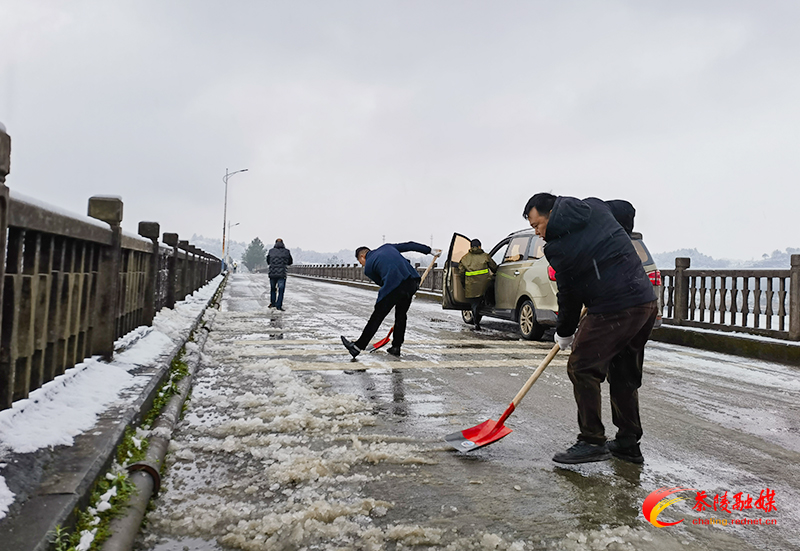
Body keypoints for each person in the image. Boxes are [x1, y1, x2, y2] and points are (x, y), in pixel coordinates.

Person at [523, 193, 657, 465]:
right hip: (644, 302)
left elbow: (569, 294)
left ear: (551, 214)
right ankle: (628, 443)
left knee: (582, 366)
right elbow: (624, 210)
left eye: (537, 225)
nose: (537, 233)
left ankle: (591, 440)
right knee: (623, 373)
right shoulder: (594, 206)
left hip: (614, 306)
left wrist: (564, 332)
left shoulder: (559, 247)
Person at [341, 242, 441, 358]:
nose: (362, 265)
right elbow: (410, 245)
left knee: (376, 317)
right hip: (411, 282)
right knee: (401, 315)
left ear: (362, 256)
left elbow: (383, 283)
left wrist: (394, 295)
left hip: (394, 287)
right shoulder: (387, 247)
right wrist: (430, 250)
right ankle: (396, 347)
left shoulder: (368, 268)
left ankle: (357, 347)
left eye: (360, 262)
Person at [456, 239, 498, 330]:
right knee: (488, 294)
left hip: (471, 286)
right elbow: (494, 268)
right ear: (480, 247)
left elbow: (461, 273)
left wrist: (464, 284)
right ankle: (490, 304)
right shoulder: (485, 256)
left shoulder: (465, 258)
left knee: (474, 304)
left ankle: (476, 321)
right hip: (485, 285)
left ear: (470, 247)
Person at [266, 238, 293, 311]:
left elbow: (268, 261)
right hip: (282, 273)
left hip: (272, 273)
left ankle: (272, 303)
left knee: (273, 289)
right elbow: (290, 262)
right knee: (281, 290)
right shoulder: (286, 251)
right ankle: (279, 305)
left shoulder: (271, 251)